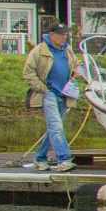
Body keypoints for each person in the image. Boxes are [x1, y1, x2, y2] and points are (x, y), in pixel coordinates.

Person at [23, 20, 76, 172]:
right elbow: (28, 73)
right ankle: (64, 159)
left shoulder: (68, 51)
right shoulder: (39, 50)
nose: (63, 37)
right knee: (56, 127)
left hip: (64, 94)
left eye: (65, 34)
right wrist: (43, 89)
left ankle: (40, 158)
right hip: (49, 94)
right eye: (60, 35)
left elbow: (75, 65)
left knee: (53, 128)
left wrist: (76, 73)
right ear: (51, 35)